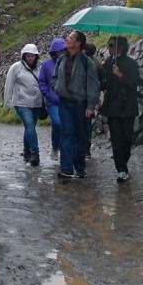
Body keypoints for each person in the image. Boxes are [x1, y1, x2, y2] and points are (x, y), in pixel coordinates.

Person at [52, 30, 101, 181]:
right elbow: (54, 77)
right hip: (65, 103)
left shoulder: (87, 62)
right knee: (67, 134)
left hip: (81, 104)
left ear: (78, 43)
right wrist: (57, 87)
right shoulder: (61, 59)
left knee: (81, 137)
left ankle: (79, 166)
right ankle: (66, 169)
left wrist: (91, 106)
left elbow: (93, 85)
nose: (67, 39)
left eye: (71, 37)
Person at [101, 36, 141, 183]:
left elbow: (133, 83)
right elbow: (106, 83)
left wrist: (120, 75)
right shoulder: (108, 62)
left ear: (120, 48)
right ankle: (122, 170)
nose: (109, 48)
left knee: (126, 140)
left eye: (111, 45)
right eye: (108, 45)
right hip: (113, 107)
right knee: (117, 140)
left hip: (128, 107)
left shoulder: (131, 64)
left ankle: (124, 161)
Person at [3, 43, 44, 166]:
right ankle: (35, 153)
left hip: (37, 102)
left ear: (36, 56)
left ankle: (26, 152)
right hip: (21, 102)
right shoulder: (16, 67)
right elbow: (9, 84)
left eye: (33, 56)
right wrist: (8, 102)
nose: (30, 58)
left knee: (30, 127)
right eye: (28, 56)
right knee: (29, 124)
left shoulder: (41, 67)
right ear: (24, 56)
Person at [38, 37, 66, 160]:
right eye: (58, 51)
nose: (61, 53)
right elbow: (42, 81)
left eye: (63, 50)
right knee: (57, 123)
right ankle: (55, 147)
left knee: (67, 125)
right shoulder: (46, 65)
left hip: (67, 99)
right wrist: (48, 94)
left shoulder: (69, 61)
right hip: (52, 101)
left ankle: (65, 149)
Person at [83, 42, 107, 158]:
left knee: (85, 124)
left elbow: (102, 81)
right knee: (87, 124)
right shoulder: (96, 62)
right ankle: (86, 149)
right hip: (91, 98)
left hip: (88, 98)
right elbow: (103, 81)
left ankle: (84, 149)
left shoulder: (94, 64)